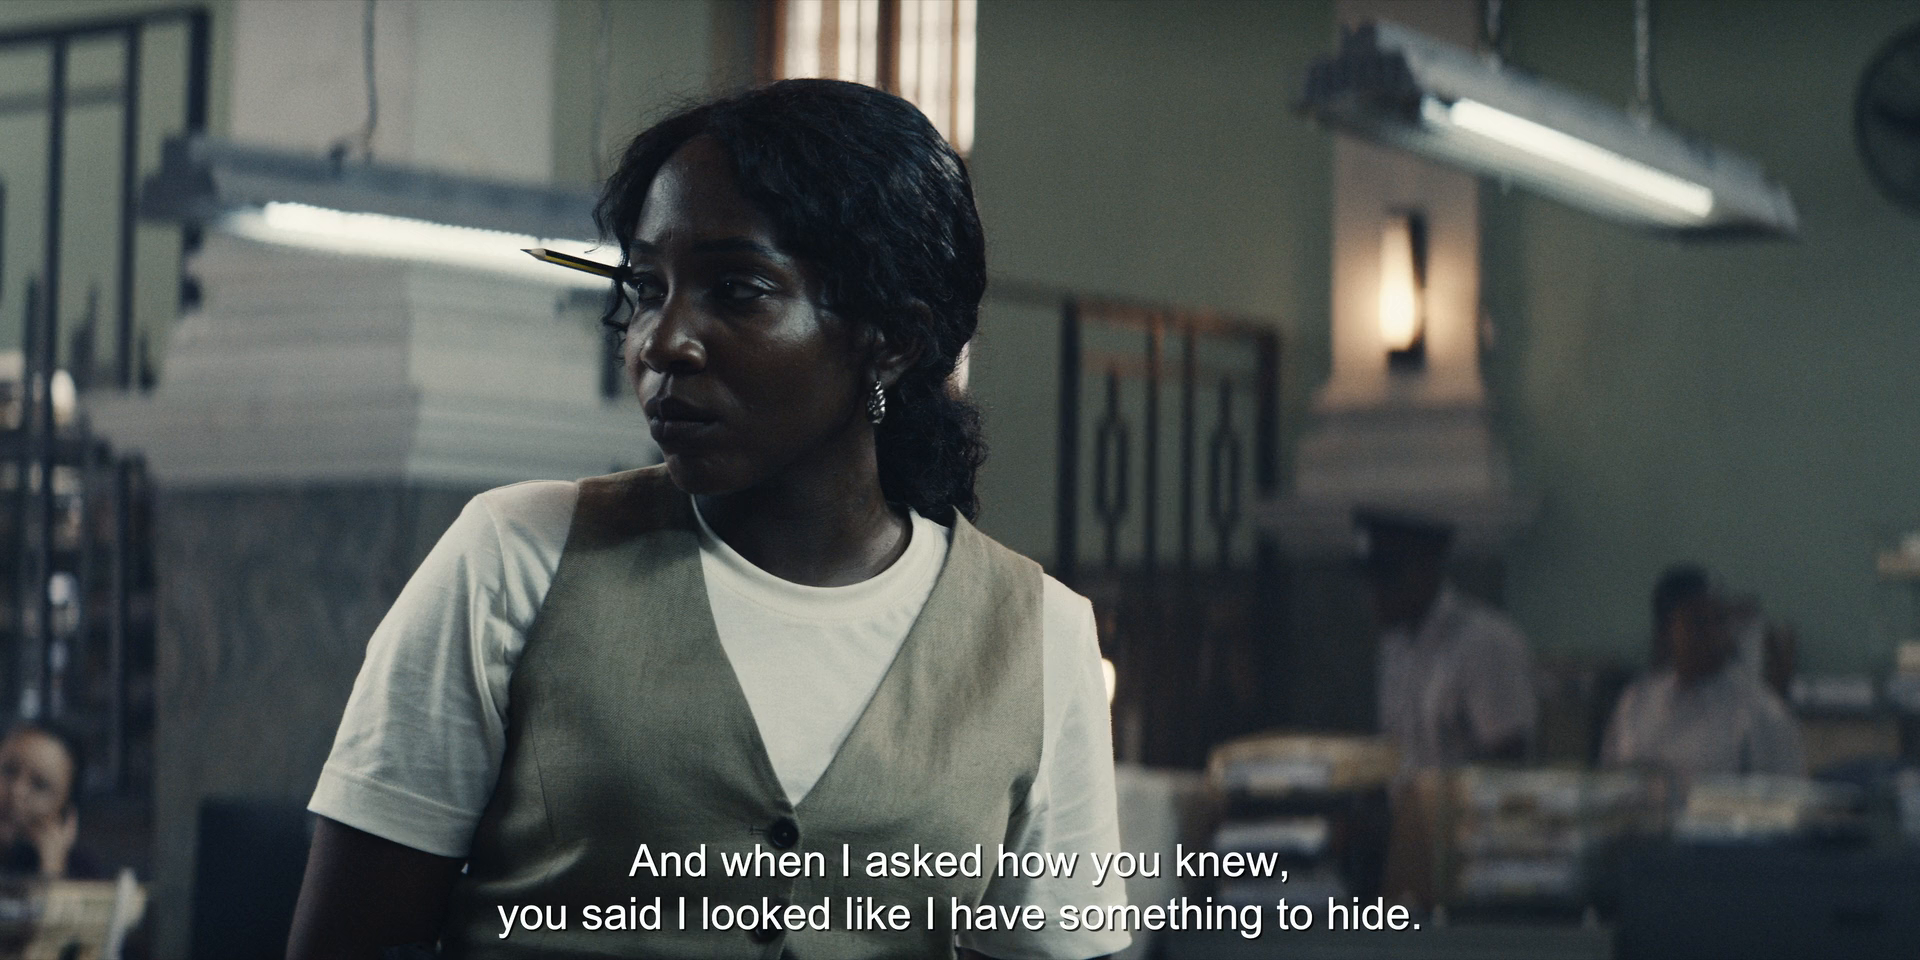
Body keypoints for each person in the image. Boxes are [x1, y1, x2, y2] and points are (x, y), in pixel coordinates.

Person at [288, 80, 1127, 960]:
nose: (661, 340)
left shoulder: (1039, 636)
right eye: (648, 287)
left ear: (893, 339)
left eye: (737, 289)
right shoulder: (516, 556)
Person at [1361, 509, 1537, 771]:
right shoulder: (1395, 645)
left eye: (1387, 580)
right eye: (1369, 582)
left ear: (1424, 570)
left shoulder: (1484, 643)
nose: (1374, 595)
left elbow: (1508, 758)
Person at [1601, 565, 1804, 780]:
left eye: (1719, 619)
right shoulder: (1636, 701)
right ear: (1666, 632)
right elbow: (1608, 779)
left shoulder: (1760, 711)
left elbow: (1787, 793)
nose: (1713, 634)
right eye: (1697, 622)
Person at [0, 721, 107, 880]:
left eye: (39, 785)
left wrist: (52, 868)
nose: (17, 791)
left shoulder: (82, 870)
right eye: (9, 770)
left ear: (65, 813)